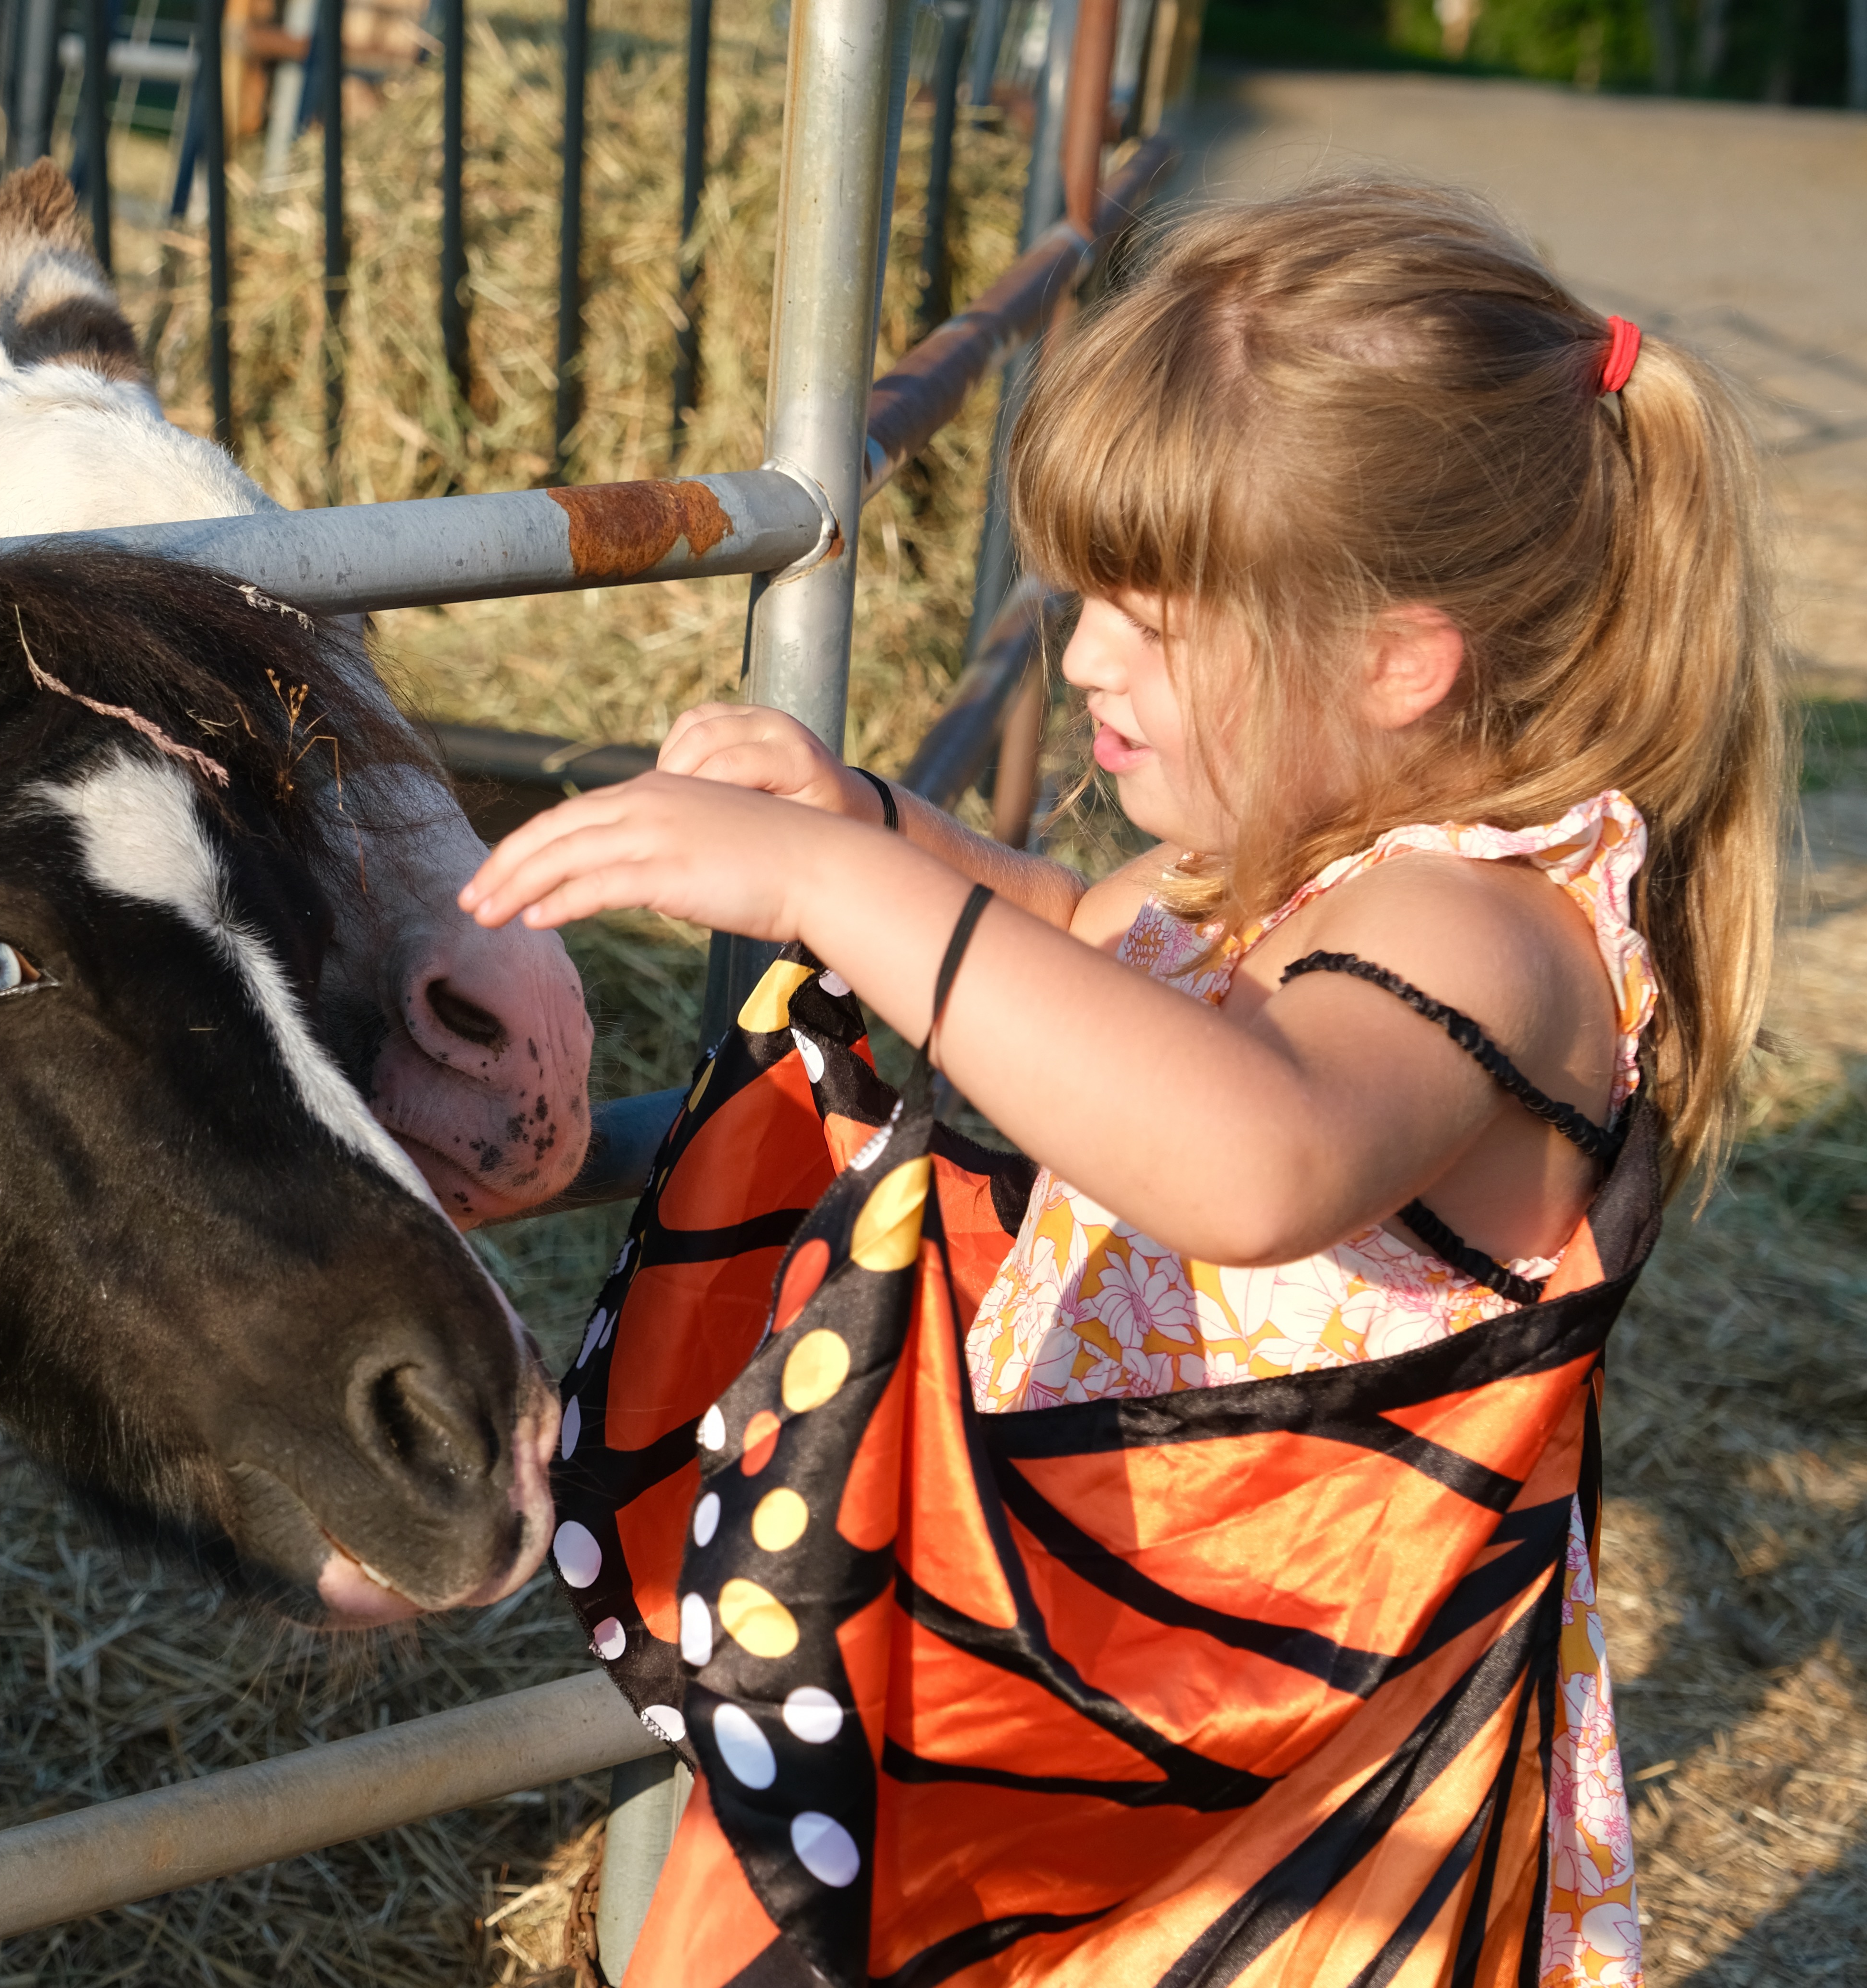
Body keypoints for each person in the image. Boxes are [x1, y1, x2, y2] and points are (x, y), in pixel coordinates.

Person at [467, 181, 1786, 1988]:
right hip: (1094, 1649)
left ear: (1398, 661)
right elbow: (1085, 949)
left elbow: (1257, 1154)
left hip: (1270, 1755)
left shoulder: (1485, 928)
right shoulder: (1290, 847)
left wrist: (838, 889)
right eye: (1083, 597)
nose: (1085, 654)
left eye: (1152, 621)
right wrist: (874, 827)